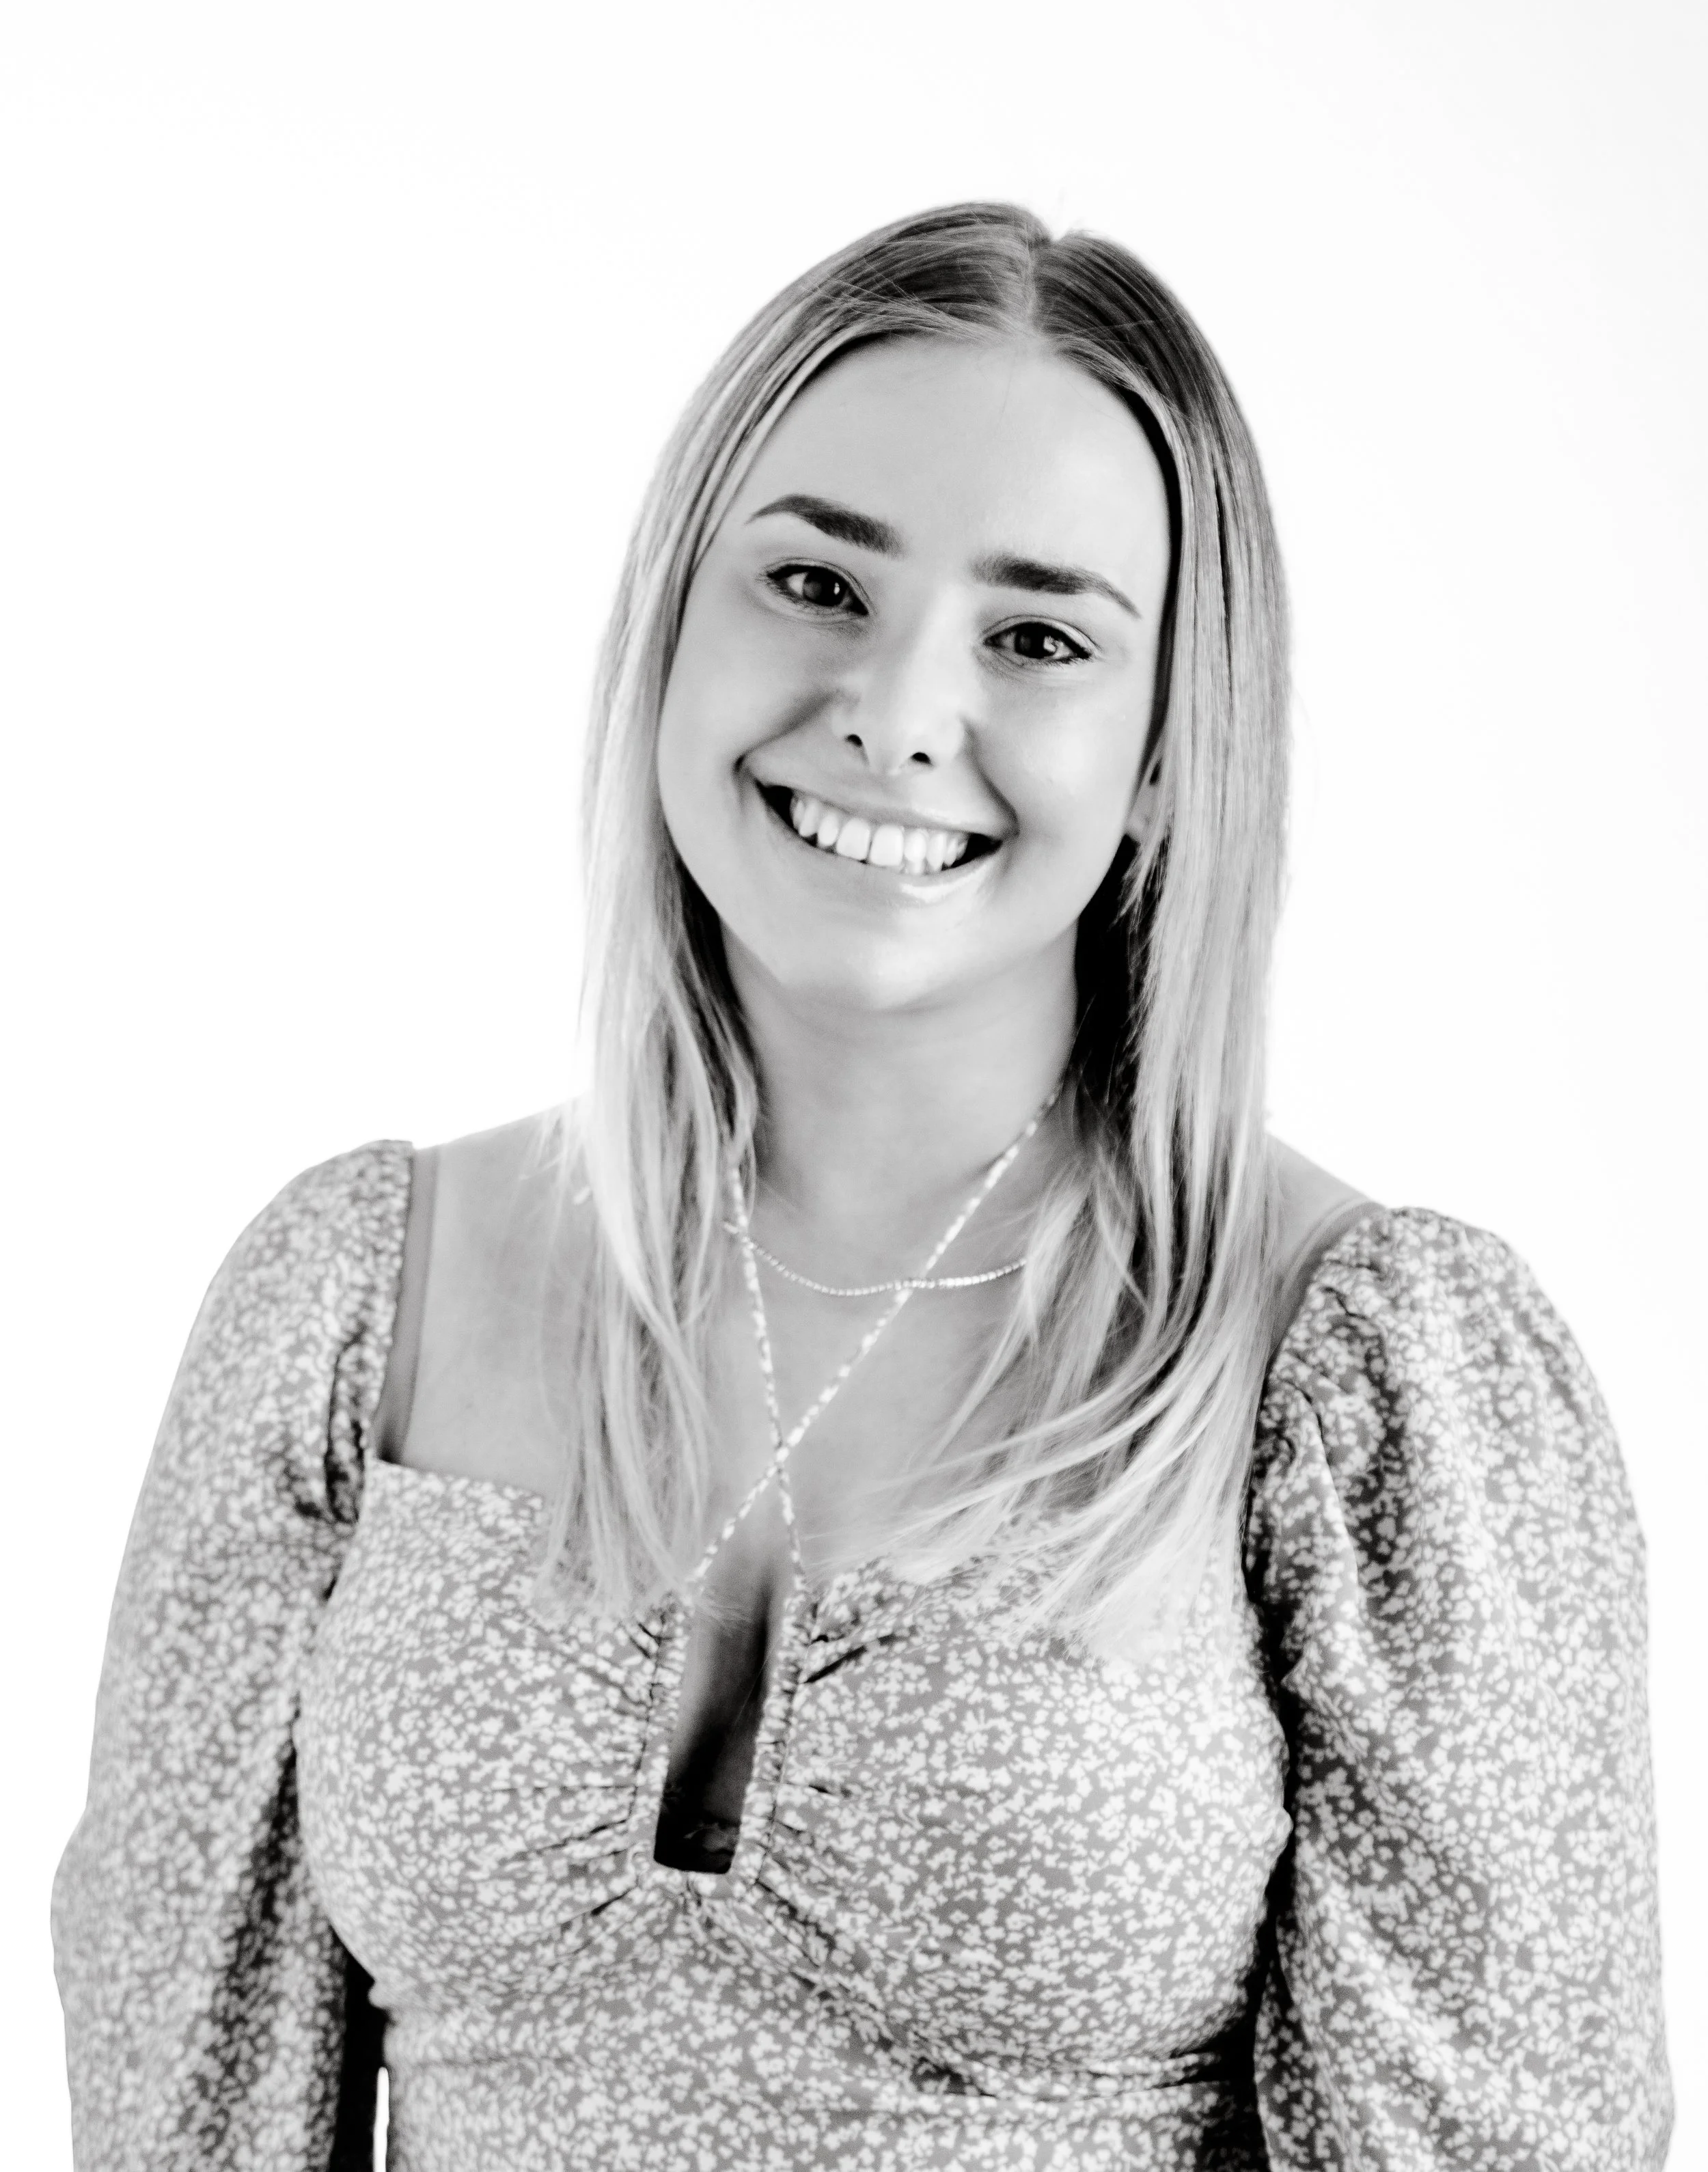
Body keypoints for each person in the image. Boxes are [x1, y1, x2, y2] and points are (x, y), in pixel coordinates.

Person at [54, 204, 1672, 2171]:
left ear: (1166, 749)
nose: (900, 707)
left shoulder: (1370, 1374)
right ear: (672, 626)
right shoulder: (353, 1302)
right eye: (816, 580)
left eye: (1038, 635)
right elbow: (178, 2108)